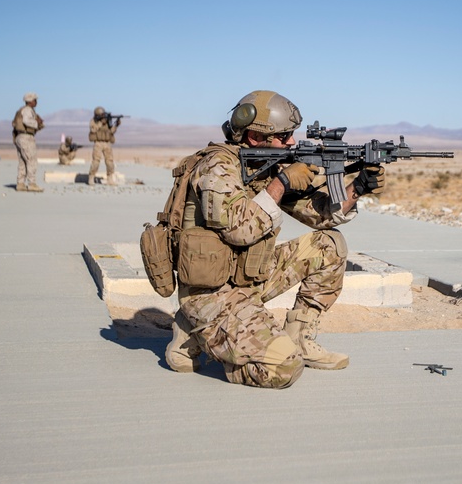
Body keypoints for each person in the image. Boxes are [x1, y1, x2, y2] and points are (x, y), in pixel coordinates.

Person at [165, 90, 385, 389]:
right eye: (285, 136)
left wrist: (357, 188)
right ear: (256, 137)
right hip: (211, 293)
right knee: (283, 370)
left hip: (247, 277)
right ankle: (196, 331)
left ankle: (300, 338)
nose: (291, 143)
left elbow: (318, 216)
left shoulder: (263, 165)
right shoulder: (217, 166)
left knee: (329, 245)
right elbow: (239, 230)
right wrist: (281, 183)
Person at [12, 92, 44, 192]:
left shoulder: (22, 110)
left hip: (20, 137)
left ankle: (20, 183)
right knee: (31, 160)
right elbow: (26, 121)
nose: (36, 102)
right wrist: (37, 123)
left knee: (23, 161)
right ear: (30, 101)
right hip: (26, 137)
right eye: (35, 100)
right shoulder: (27, 110)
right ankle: (32, 183)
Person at [87, 106, 119, 185]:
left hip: (107, 143)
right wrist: (101, 122)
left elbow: (111, 131)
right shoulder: (93, 121)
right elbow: (93, 129)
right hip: (98, 143)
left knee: (110, 162)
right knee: (96, 162)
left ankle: (110, 178)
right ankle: (91, 177)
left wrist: (116, 125)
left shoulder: (107, 121)